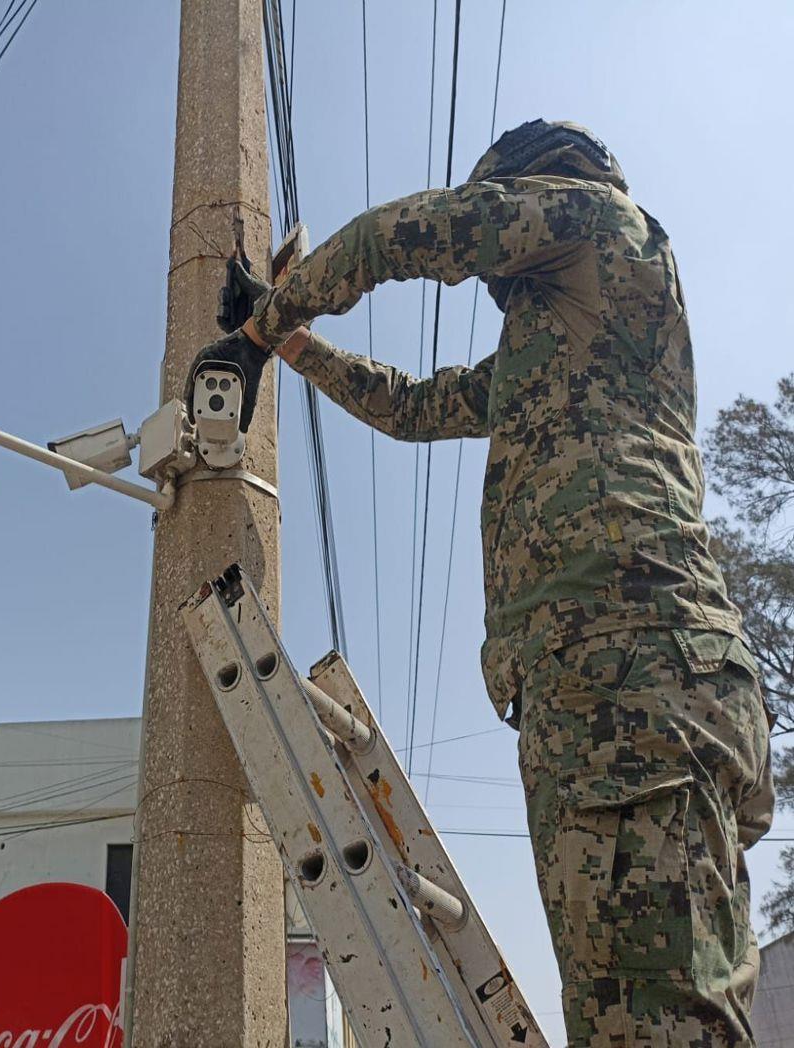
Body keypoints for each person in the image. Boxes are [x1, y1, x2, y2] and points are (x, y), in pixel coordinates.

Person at [192, 119, 775, 1046]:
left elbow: (416, 233)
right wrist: (294, 343)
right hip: (630, 678)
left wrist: (261, 325)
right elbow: (415, 406)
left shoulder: (602, 225)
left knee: (651, 1024)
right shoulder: (561, 349)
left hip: (624, 670)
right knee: (652, 1012)